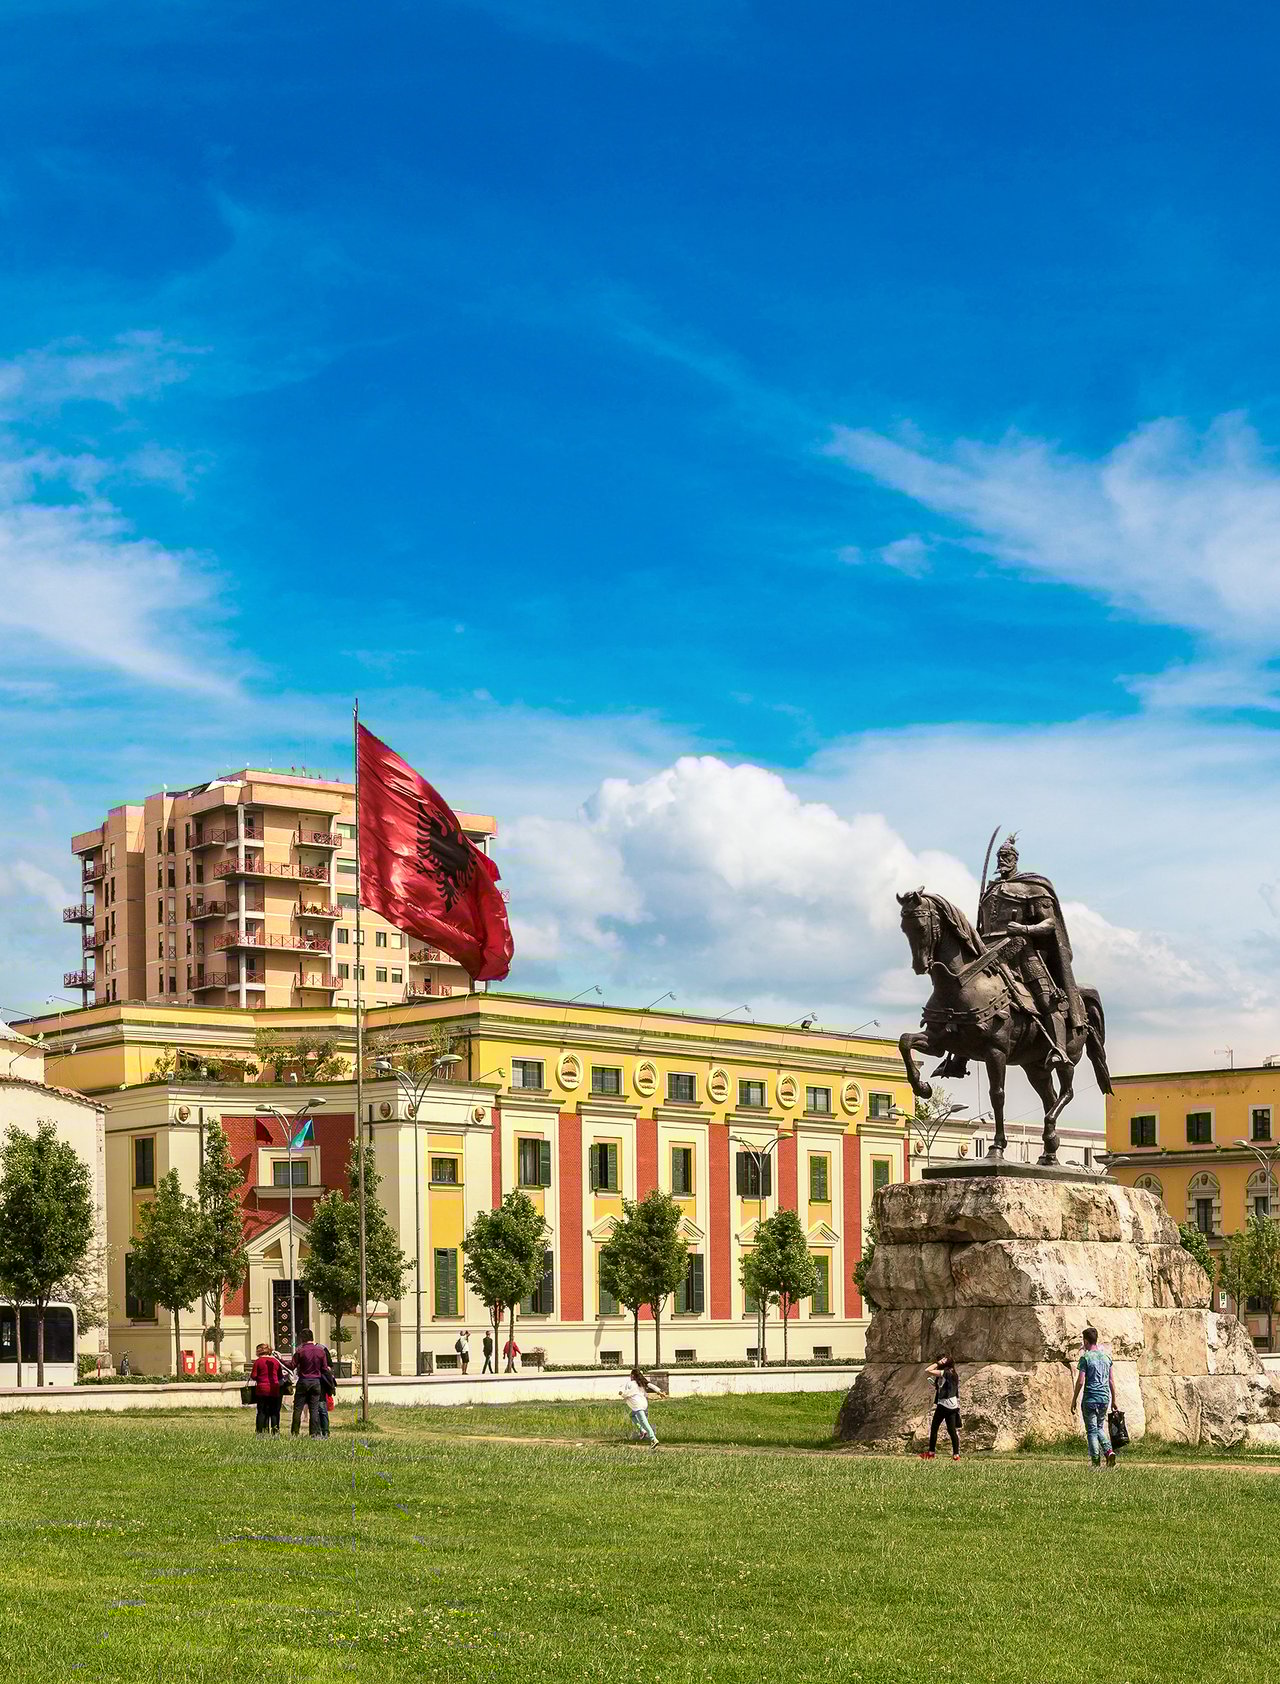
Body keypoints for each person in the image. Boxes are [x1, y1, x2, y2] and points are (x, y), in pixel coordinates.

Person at [1072, 1326, 1117, 1468]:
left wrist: (1074, 1399)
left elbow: (1080, 1381)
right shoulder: (1106, 1358)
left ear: (1086, 1341)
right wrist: (1114, 1400)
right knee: (1099, 1427)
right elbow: (1111, 1381)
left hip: (1090, 1398)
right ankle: (1109, 1452)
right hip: (1104, 1398)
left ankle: (1096, 1462)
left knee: (1092, 1430)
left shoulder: (1085, 1358)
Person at [282, 1327, 333, 1438]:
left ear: (302, 1339)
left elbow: (291, 1366)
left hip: (303, 1381)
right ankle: (314, 1434)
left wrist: (281, 1359)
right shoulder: (320, 1351)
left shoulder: (300, 1351)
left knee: (298, 1409)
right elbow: (325, 1368)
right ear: (312, 1337)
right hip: (316, 1382)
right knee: (314, 1409)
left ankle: (295, 1433)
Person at [919, 1353, 961, 1460]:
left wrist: (938, 1363)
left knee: (934, 1428)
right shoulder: (953, 1373)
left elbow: (927, 1370)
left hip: (943, 1405)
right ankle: (956, 1455)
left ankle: (931, 1453)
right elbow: (945, 1387)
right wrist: (935, 1384)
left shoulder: (945, 1372)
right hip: (953, 1406)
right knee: (952, 1430)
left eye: (944, 1360)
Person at [250, 1341, 284, 1436]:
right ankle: (275, 1432)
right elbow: (280, 1376)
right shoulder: (275, 1362)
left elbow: (254, 1375)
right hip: (274, 1388)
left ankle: (260, 1432)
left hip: (261, 1389)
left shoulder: (258, 1362)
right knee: (274, 1411)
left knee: (261, 1411)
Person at [621, 1367, 659, 1446]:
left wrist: (622, 1394)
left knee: (644, 1422)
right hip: (644, 1404)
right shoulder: (641, 1383)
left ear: (632, 1376)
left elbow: (627, 1394)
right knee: (631, 1415)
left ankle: (653, 1439)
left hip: (637, 1405)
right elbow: (651, 1385)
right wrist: (659, 1391)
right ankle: (642, 1430)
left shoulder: (630, 1383)